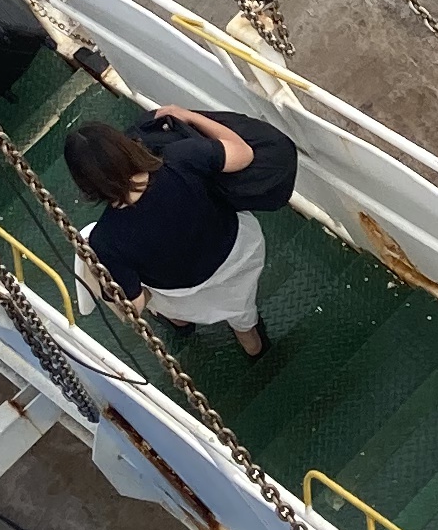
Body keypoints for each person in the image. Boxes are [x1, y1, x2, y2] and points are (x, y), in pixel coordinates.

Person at [63, 111, 279, 358]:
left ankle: (180, 322)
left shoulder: (106, 240)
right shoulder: (182, 157)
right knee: (247, 329)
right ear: (125, 145)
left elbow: (133, 308)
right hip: (240, 255)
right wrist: (187, 115)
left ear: (86, 184)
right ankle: (249, 336)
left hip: (186, 294)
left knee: (158, 299)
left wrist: (102, 272)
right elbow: (243, 153)